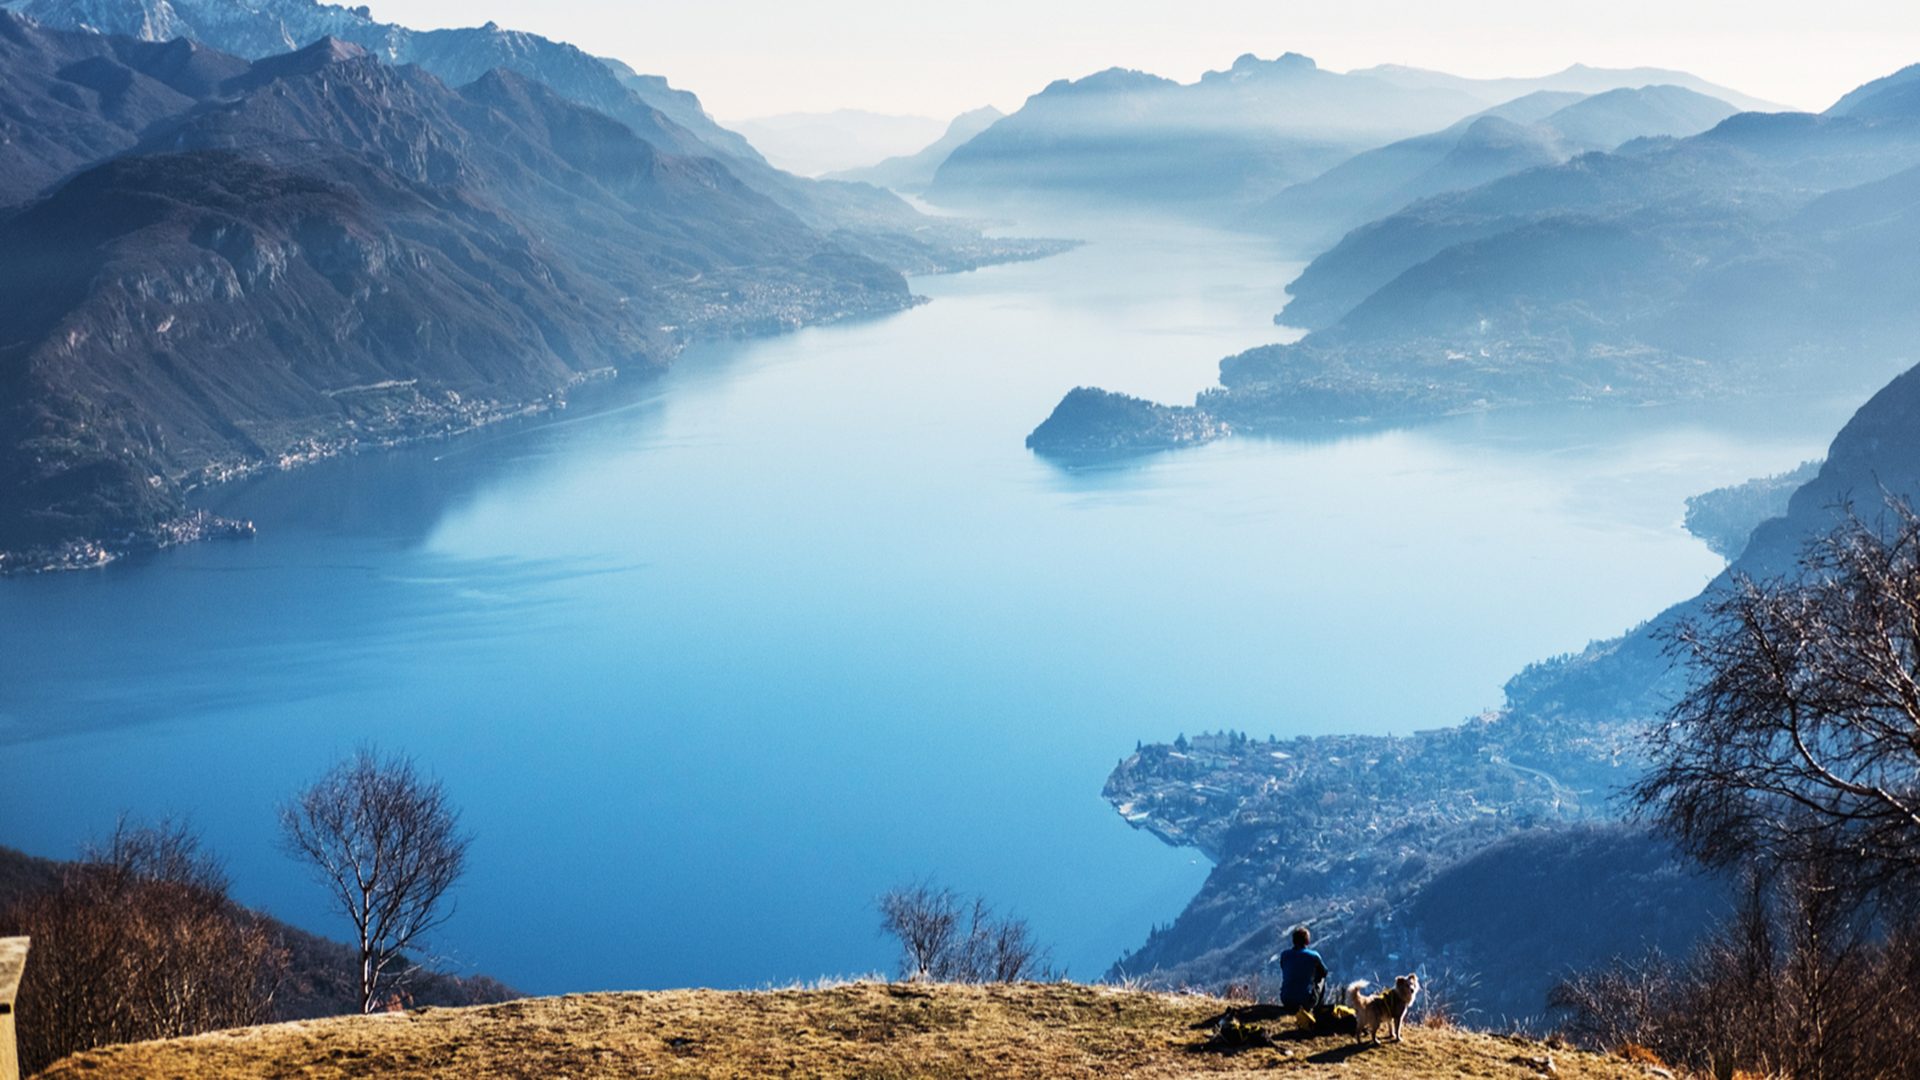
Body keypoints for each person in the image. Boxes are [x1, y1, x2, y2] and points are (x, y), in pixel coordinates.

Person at [1277, 926, 1328, 1010]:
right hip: (1306, 1001)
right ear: (1307, 941)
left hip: (1286, 999)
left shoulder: (1284, 955)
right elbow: (1324, 972)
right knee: (1322, 978)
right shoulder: (1314, 956)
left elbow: (1283, 967)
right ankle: (1318, 1010)